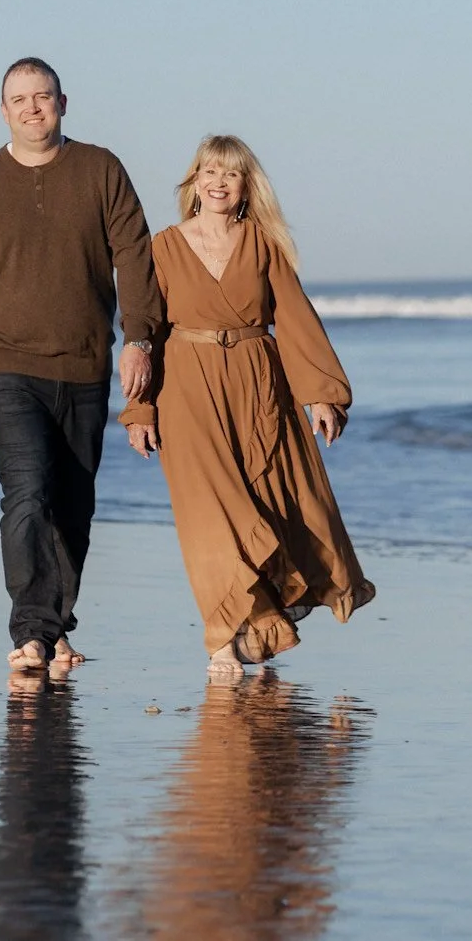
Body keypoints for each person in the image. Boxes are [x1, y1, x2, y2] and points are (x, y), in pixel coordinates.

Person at [0, 57, 161, 671]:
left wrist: (140, 337)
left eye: (43, 96)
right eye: (19, 99)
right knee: (27, 489)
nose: (32, 107)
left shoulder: (100, 169)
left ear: (63, 102)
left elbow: (134, 254)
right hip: (6, 365)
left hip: (86, 364)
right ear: (3, 111)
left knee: (74, 503)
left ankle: (53, 624)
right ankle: (30, 628)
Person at [121, 135, 375, 677]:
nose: (217, 182)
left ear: (245, 187)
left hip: (260, 386)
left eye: (230, 174)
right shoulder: (162, 247)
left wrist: (322, 395)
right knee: (210, 515)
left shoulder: (263, 245)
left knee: (274, 503)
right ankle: (221, 636)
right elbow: (146, 330)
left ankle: (261, 621)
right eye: (208, 171)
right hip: (186, 388)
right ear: (193, 182)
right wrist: (140, 411)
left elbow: (296, 318)